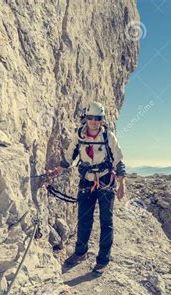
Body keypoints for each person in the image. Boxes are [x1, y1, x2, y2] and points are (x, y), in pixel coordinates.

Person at [51, 101, 126, 274]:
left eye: (97, 118)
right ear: (86, 118)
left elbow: (119, 161)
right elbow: (70, 157)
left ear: (101, 120)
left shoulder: (108, 137)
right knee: (84, 219)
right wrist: (58, 170)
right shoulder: (79, 136)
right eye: (90, 117)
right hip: (87, 180)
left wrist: (122, 184)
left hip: (106, 180)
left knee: (106, 221)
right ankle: (81, 252)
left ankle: (103, 260)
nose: (93, 121)